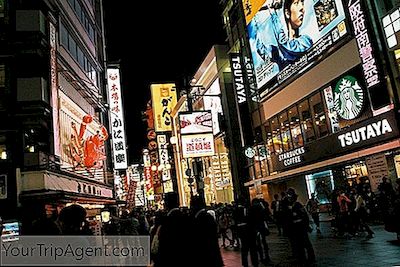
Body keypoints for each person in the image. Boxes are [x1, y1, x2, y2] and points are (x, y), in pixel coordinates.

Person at [262, 0, 313, 70]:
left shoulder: (306, 41)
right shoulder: (280, 53)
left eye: (302, 3)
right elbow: (261, 50)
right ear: (287, 13)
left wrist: (273, 12)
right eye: (296, 3)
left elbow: (287, 46)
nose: (302, 8)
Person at [285, 188, 315, 264]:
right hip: (295, 229)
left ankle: (310, 258)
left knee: (306, 243)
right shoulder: (289, 206)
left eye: (290, 196)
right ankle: (302, 258)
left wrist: (305, 225)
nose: (289, 198)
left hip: (301, 228)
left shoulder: (298, 205)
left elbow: (304, 217)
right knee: (299, 245)